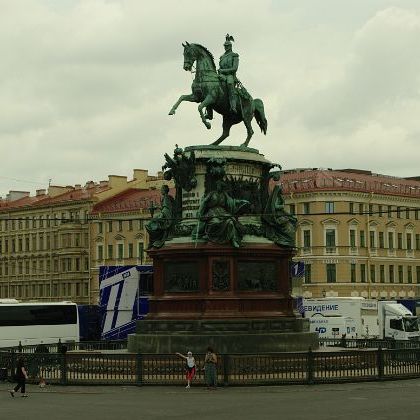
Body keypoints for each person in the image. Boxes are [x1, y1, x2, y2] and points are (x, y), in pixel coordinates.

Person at [218, 34, 239, 113]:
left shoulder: (235, 56)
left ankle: (233, 106)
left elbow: (234, 68)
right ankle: (209, 111)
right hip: (221, 75)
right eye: (225, 46)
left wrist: (223, 71)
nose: (226, 47)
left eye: (227, 46)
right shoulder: (222, 57)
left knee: (230, 84)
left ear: (230, 46)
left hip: (230, 75)